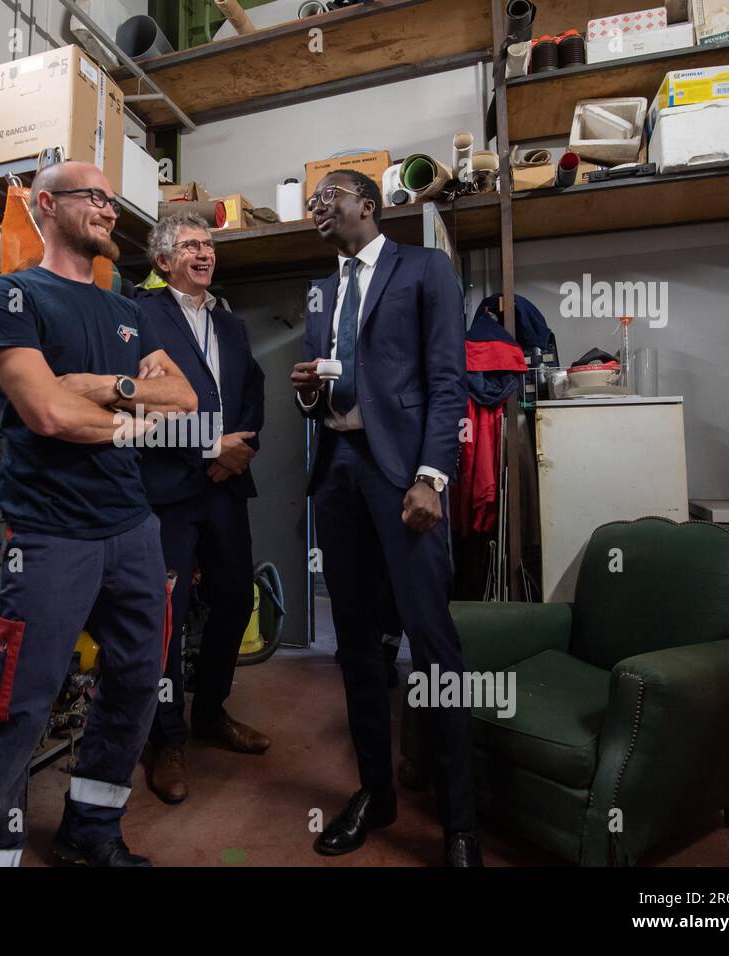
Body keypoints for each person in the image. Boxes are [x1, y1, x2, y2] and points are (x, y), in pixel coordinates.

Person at [0, 161, 197, 867]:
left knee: (140, 682)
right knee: (18, 697)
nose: (110, 211)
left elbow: (187, 401)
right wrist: (131, 416)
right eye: (95, 198)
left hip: (132, 527)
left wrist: (104, 385)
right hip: (48, 532)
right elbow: (46, 411)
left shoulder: (127, 310)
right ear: (48, 205)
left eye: (114, 200)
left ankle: (92, 832)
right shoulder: (11, 296)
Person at [290, 169, 481, 866]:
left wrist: (432, 476)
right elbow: (327, 384)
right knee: (357, 647)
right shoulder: (321, 290)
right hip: (337, 472)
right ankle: (377, 793)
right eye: (312, 201)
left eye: (326, 199)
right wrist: (307, 391)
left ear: (366, 206)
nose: (316, 209)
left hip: (402, 475)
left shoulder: (424, 268)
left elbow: (446, 380)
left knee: (432, 643)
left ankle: (461, 823)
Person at [135, 213, 268, 805]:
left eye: (208, 244)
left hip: (225, 488)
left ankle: (210, 711)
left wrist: (242, 449)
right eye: (190, 245)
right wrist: (207, 450)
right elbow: (143, 403)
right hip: (170, 489)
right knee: (169, 612)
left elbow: (254, 392)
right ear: (164, 261)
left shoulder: (231, 322)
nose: (204, 252)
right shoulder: (141, 314)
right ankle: (166, 738)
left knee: (237, 595)